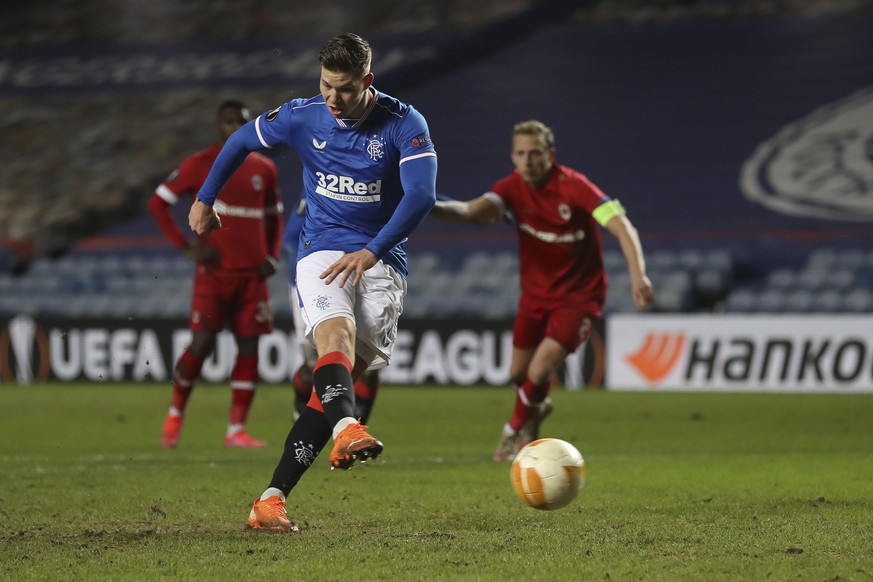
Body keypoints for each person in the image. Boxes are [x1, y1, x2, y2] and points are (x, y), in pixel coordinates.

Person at [188, 33, 437, 532]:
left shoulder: (404, 124)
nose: (332, 97)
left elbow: (421, 197)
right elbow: (240, 142)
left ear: (368, 81)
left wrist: (371, 251)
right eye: (325, 85)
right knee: (335, 338)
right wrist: (205, 197)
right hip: (320, 248)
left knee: (329, 392)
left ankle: (270, 500)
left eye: (344, 89)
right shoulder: (303, 114)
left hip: (381, 261)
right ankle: (349, 426)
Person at [430, 119, 654, 461]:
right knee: (518, 374)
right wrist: (423, 202)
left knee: (539, 370)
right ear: (512, 156)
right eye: (520, 154)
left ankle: (512, 432)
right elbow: (468, 212)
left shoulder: (575, 187)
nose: (527, 161)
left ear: (550, 154)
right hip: (535, 296)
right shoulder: (510, 189)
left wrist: (639, 276)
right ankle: (536, 410)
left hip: (579, 298)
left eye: (535, 153)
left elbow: (622, 227)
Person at [149, 99, 283, 449]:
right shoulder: (201, 164)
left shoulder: (264, 168)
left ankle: (236, 430)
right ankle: (176, 414)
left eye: (240, 121)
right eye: (227, 121)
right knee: (202, 343)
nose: (233, 126)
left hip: (252, 277)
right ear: (218, 125)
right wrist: (185, 246)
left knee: (250, 347)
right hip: (215, 274)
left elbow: (275, 217)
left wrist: (272, 254)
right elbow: (158, 203)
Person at [283, 195, 381, 423]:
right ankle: (302, 421)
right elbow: (290, 238)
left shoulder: (380, 177)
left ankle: (355, 433)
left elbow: (417, 193)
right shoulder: (318, 186)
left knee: (368, 362)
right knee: (314, 366)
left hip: (362, 278)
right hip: (318, 281)